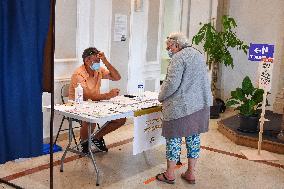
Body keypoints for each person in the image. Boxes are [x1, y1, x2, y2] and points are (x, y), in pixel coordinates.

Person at [156, 32, 212, 184]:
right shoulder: (198, 53)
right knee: (193, 138)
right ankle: (191, 173)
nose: (168, 50)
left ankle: (170, 174)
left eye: (169, 47)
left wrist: (160, 96)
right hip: (199, 104)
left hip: (181, 107)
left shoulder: (178, 58)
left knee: (174, 138)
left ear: (176, 45)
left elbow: (171, 84)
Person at [69, 47, 126, 153]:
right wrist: (108, 95)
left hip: (95, 103)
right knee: (90, 120)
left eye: (99, 61)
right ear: (87, 60)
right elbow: (87, 96)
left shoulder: (98, 70)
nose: (98, 63)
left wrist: (106, 61)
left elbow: (117, 77)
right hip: (79, 105)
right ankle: (84, 142)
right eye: (96, 61)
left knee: (121, 119)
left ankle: (96, 138)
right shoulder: (78, 74)